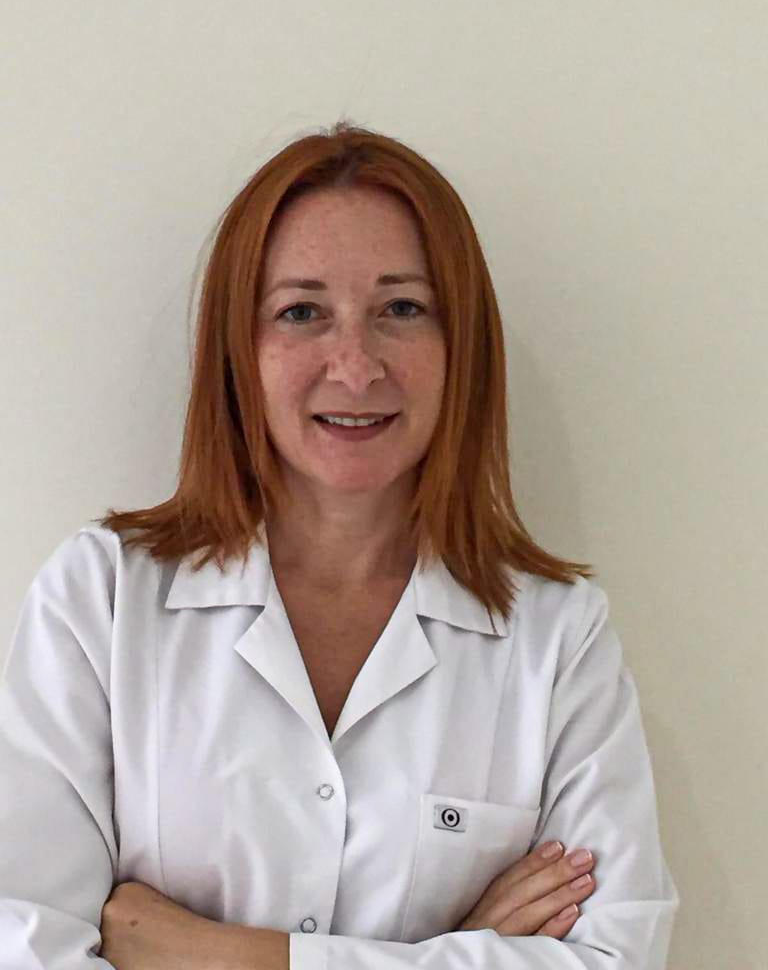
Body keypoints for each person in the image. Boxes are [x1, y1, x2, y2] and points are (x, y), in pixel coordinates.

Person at [0, 121, 679, 969]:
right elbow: (24, 940)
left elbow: (617, 957)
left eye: (402, 309)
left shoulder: (557, 636)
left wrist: (228, 957)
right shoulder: (102, 599)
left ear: (461, 344)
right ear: (237, 350)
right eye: (302, 312)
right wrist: (460, 952)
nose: (355, 367)